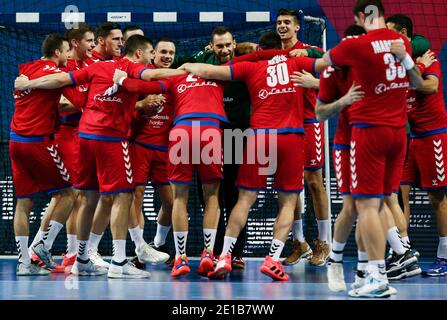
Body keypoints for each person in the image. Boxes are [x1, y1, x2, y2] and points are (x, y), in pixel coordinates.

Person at [15, 35, 185, 278]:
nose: (152, 61)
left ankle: (81, 258)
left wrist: (28, 83)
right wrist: (185, 71)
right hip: (111, 138)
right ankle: (118, 262)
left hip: (85, 137)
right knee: (123, 197)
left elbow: (61, 79)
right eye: (150, 55)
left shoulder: (97, 66)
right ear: (139, 54)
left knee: (87, 198)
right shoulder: (135, 68)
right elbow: (154, 79)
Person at [178, 33, 328, 281]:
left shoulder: (248, 66)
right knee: (289, 201)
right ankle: (273, 259)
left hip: (259, 136)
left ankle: (225, 255)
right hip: (291, 136)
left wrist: (186, 67)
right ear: (281, 46)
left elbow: (209, 71)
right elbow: (328, 63)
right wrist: (311, 57)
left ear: (259, 48)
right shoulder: (296, 62)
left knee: (244, 200)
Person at [321, 0, 424, 297]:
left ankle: (369, 270)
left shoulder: (375, 62)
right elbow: (323, 102)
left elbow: (413, 81)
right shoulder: (339, 68)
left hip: (375, 138)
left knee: (376, 204)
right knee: (356, 207)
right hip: (346, 143)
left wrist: (406, 60)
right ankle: (336, 260)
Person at [11, 34, 86, 275]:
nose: (68, 56)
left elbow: (50, 101)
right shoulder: (57, 74)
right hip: (38, 143)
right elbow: (80, 100)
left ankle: (24, 262)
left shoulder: (27, 69)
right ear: (57, 53)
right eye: (66, 52)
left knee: (23, 203)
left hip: (15, 142)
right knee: (69, 193)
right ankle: (43, 245)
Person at [387, 15, 447, 277]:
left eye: (391, 34)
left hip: (434, 136)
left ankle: (444, 256)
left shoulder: (427, 56)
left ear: (403, 34)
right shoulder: (398, 65)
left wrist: (418, 68)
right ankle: (404, 252)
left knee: (438, 198)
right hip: (411, 139)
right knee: (399, 195)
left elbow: (430, 86)